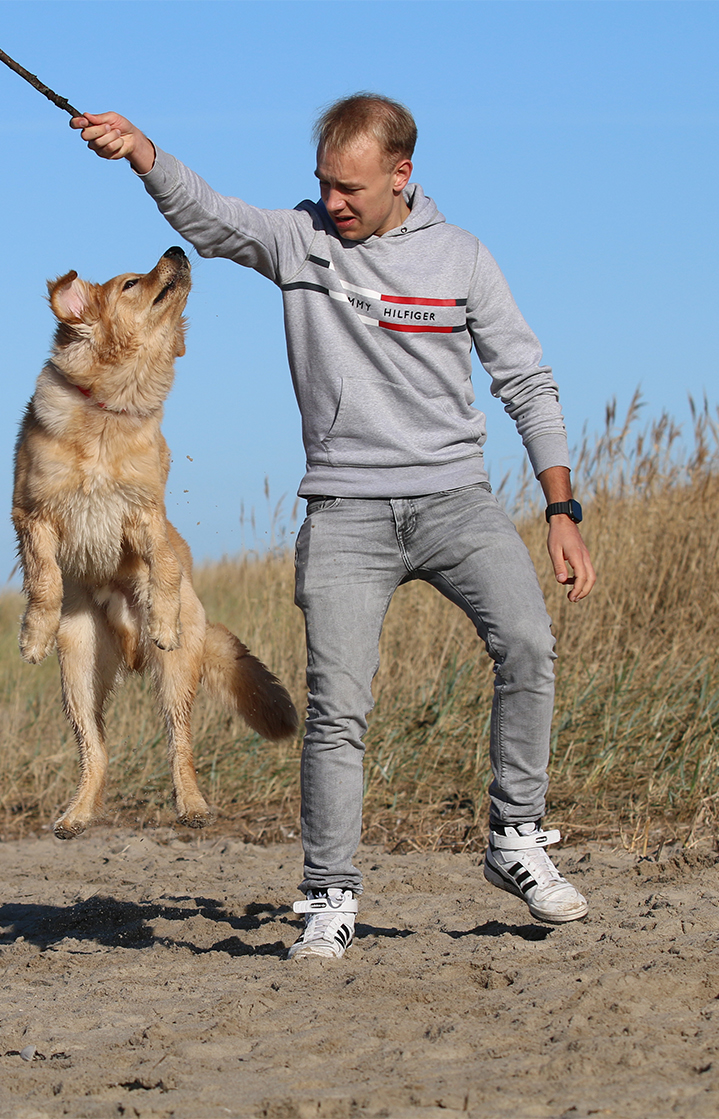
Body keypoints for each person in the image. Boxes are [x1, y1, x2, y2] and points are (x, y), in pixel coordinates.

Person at [72, 94, 596, 960]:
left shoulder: (462, 258)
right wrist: (142, 152)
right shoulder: (301, 241)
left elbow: (527, 381)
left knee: (529, 643)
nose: (333, 201)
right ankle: (329, 894)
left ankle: (516, 837)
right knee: (338, 708)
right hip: (347, 510)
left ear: (403, 174)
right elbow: (213, 220)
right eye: (323, 183)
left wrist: (561, 508)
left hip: (456, 500)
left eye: (350, 188)